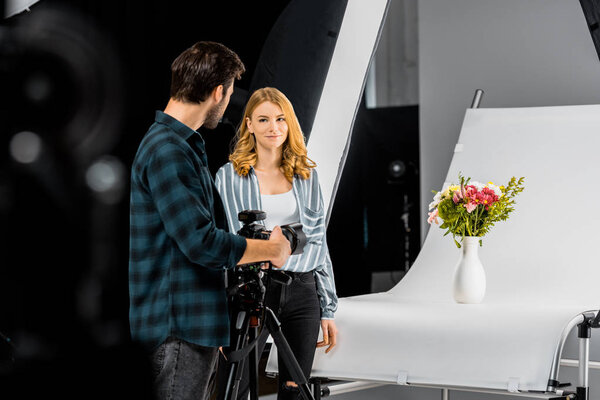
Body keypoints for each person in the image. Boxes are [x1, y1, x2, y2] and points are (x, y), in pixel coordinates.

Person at [129, 42, 292, 400]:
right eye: (230, 92)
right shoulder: (168, 150)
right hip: (178, 332)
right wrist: (273, 249)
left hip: (189, 329)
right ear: (218, 91)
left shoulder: (179, 145)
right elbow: (201, 242)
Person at [215, 87, 338, 399]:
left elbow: (318, 243)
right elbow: (221, 244)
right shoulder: (229, 177)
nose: (273, 127)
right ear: (249, 125)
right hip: (250, 289)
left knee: (294, 391)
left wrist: (328, 309)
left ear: (290, 124)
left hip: (302, 291)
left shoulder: (306, 176)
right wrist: (214, 313)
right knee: (236, 388)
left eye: (281, 119)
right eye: (264, 119)